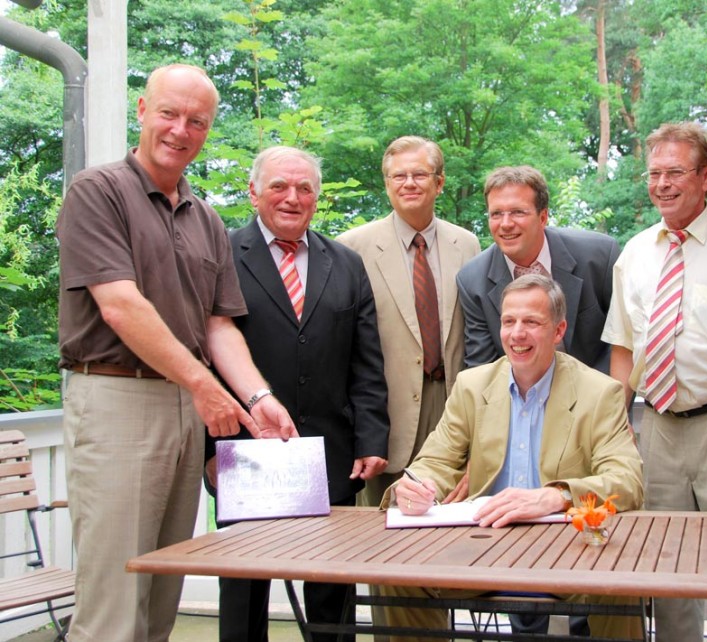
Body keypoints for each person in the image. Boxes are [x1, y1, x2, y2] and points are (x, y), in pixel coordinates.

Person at [56, 64, 296, 642]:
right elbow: (120, 306)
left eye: (197, 121)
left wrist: (257, 396)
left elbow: (219, 327)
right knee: (115, 603)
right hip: (117, 396)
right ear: (142, 111)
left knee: (163, 590)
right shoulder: (98, 191)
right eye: (169, 113)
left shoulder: (205, 217)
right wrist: (203, 385)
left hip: (184, 408)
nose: (180, 130)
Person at [383, 274, 645, 641]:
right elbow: (436, 461)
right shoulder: (472, 386)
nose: (516, 334)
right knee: (399, 576)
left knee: (621, 582)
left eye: (532, 322)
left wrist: (556, 496)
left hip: (567, 551)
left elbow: (626, 479)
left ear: (558, 331)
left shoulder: (599, 393)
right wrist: (418, 486)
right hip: (479, 546)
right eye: (509, 321)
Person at [204, 146, 390, 642]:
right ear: (253, 192)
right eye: (279, 186)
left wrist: (372, 439)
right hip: (248, 456)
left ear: (317, 196)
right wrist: (209, 452)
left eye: (304, 188)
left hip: (332, 454)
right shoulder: (220, 255)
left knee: (333, 598)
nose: (292, 198)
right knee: (245, 592)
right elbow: (203, 356)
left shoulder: (346, 263)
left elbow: (366, 362)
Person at [602, 123, 707, 641]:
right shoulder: (634, 252)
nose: (663, 184)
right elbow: (623, 347)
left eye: (675, 172)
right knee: (664, 563)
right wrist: (614, 423)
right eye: (654, 173)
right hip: (656, 427)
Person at [337, 135, 480, 506]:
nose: (409, 183)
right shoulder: (352, 248)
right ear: (386, 184)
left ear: (440, 182)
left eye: (420, 174)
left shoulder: (467, 245)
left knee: (451, 525)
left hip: (451, 409)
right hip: (384, 418)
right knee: (378, 535)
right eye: (398, 176)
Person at [457, 165, 619, 373]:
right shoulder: (472, 280)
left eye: (517, 212)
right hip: (518, 399)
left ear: (543, 217)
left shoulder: (599, 257)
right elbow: (483, 367)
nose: (505, 224)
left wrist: (604, 399)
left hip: (596, 393)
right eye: (496, 214)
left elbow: (621, 340)